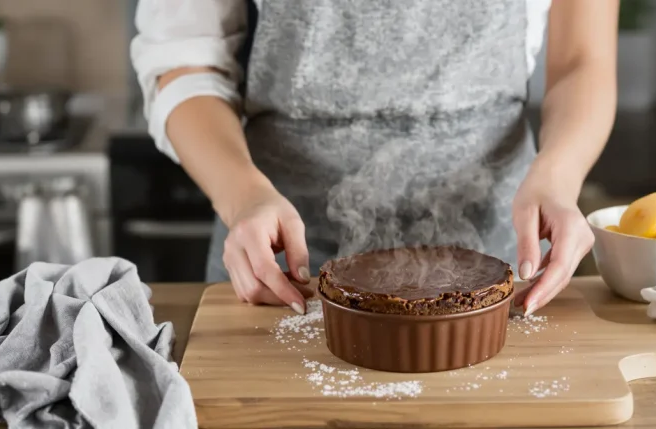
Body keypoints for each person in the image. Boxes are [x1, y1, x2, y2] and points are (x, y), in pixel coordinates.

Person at [131, 0, 618, 317]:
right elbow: (184, 65)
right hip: (281, 268)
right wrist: (243, 198)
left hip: (500, 263)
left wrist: (557, 177)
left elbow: (583, 60)